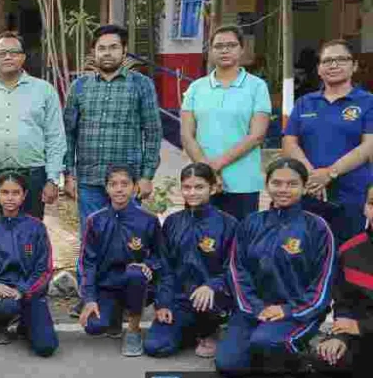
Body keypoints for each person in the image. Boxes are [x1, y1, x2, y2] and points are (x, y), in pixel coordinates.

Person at [63, 25, 161, 317]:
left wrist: (145, 175)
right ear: (93, 52)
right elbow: (68, 132)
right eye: (102, 48)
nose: (108, 53)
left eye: (114, 47)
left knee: (130, 242)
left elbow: (153, 131)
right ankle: (89, 296)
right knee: (91, 241)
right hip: (91, 180)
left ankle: (128, 298)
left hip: (126, 183)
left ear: (123, 51)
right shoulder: (80, 86)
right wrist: (69, 173)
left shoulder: (141, 84)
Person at [216, 158, 335, 376]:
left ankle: (301, 358)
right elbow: (236, 271)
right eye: (277, 183)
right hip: (254, 310)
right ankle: (267, 352)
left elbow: (323, 283)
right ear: (267, 185)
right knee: (228, 365)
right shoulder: (251, 223)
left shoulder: (317, 227)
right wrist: (256, 307)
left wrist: (287, 310)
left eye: (292, 184)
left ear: (304, 186)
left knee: (266, 341)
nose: (283, 189)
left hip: (298, 312)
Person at [0, 31, 66, 221]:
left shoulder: (44, 91)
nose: (7, 57)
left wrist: (52, 179)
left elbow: (55, 138)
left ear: (23, 57)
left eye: (13, 52)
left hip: (32, 178)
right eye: (1, 53)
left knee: (30, 238)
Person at [283, 40, 373, 242]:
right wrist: (312, 175)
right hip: (309, 192)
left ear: (354, 65)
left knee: (347, 257)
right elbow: (289, 142)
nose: (333, 65)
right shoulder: (305, 102)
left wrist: (330, 173)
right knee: (306, 254)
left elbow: (369, 146)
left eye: (341, 59)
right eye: (327, 61)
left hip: (352, 196)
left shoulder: (368, 102)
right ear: (319, 69)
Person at [145, 163, 238, 359]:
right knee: (156, 347)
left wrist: (212, 286)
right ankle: (189, 331)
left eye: (199, 187)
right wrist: (163, 303)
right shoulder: (172, 222)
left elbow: (234, 268)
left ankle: (212, 329)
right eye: (187, 187)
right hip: (180, 300)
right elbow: (165, 266)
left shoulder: (228, 224)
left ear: (212, 188)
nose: (192, 192)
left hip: (213, 299)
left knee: (206, 300)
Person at [180, 25, 272, 222]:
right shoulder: (196, 88)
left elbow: (257, 135)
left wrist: (216, 167)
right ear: (210, 51)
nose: (224, 50)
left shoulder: (257, 87)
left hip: (243, 182)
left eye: (231, 45)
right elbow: (187, 136)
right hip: (200, 183)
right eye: (218, 46)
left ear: (241, 49)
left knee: (239, 241)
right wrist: (207, 173)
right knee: (199, 240)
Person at [77, 164, 163, 357]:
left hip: (137, 283)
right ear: (106, 188)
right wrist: (89, 299)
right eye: (113, 184)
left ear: (134, 187)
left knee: (135, 273)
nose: (119, 188)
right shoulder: (95, 220)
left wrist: (148, 265)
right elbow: (88, 262)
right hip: (107, 285)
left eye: (125, 183)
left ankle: (133, 329)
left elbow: (160, 255)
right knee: (93, 327)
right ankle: (113, 314)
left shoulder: (148, 219)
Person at [0, 173, 58, 355]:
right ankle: (0, 321)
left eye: (15, 193)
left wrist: (23, 290)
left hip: (28, 291)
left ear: (24, 195)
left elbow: (45, 269)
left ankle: (25, 323)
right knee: (7, 306)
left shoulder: (36, 227)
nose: (10, 198)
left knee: (46, 347)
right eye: (5, 192)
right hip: (1, 293)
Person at [314, 182, 373, 378]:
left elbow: (358, 324)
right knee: (324, 359)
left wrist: (362, 327)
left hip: (365, 328)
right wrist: (340, 336)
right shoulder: (350, 250)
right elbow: (345, 302)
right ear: (365, 208)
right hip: (363, 334)